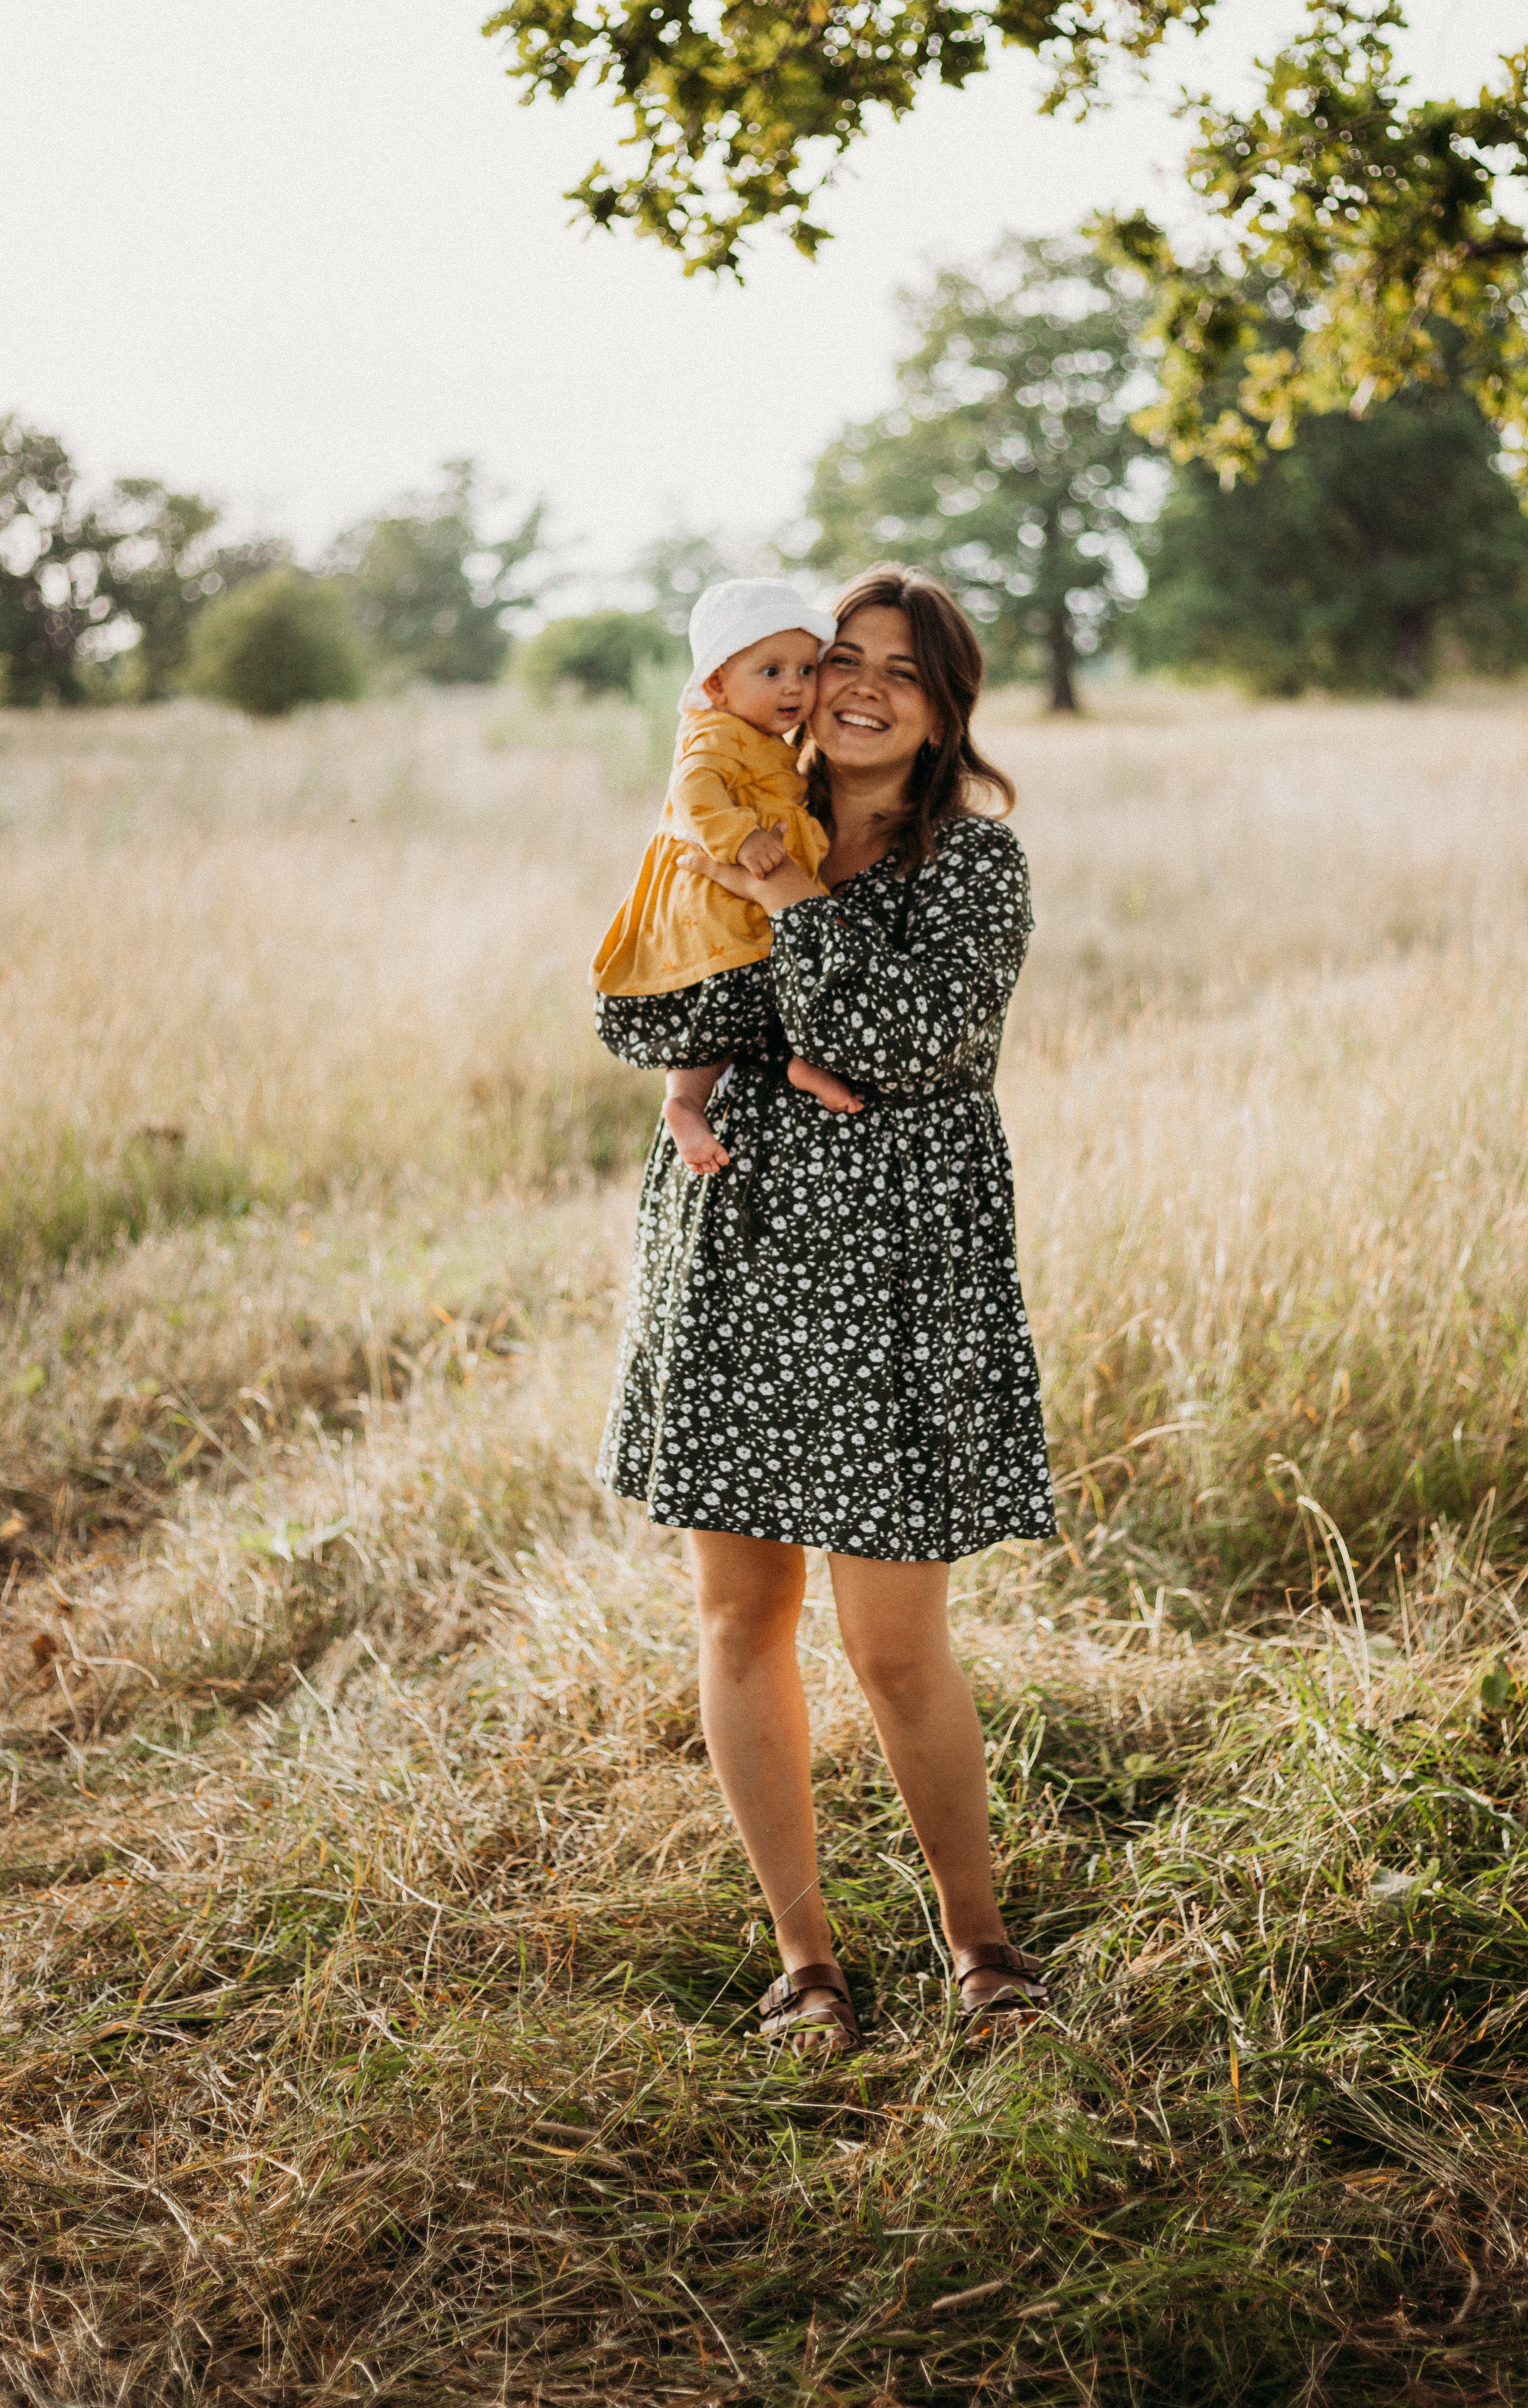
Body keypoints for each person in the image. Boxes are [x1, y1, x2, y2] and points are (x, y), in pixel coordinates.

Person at [594, 567, 1059, 2051]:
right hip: (732, 1245)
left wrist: (787, 916)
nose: (852, 689)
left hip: (896, 1278)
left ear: (944, 708)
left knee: (892, 1642)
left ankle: (978, 1946)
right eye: (833, 660)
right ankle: (805, 1960)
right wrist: (772, 1018)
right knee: (741, 1615)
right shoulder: (726, 804)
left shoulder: (971, 865)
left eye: (896, 673)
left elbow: (913, 1046)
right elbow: (642, 1014)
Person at [591, 577, 860, 1172]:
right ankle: (684, 1100)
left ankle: (799, 1059)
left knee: (779, 973)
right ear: (717, 684)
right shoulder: (712, 732)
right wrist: (740, 838)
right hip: (712, 900)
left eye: (805, 671)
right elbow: (694, 791)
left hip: (754, 902)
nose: (794, 686)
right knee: (722, 992)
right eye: (770, 672)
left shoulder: (770, 741)